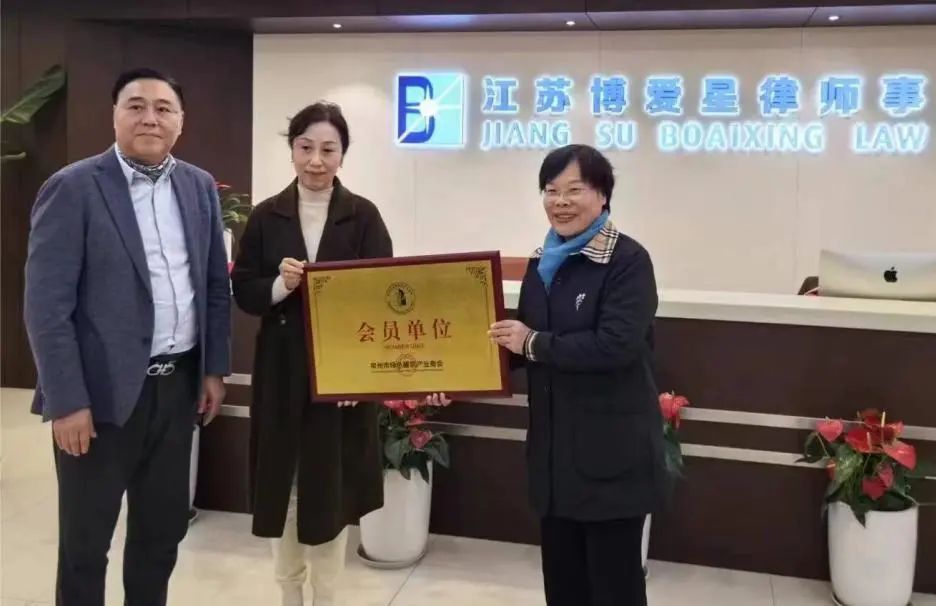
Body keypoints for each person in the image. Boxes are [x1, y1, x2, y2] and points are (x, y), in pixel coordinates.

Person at [23, 68, 230, 606]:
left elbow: (213, 285)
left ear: (180, 122)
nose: (150, 118)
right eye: (136, 106)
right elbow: (47, 308)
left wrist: (213, 369)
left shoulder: (198, 187)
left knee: (161, 533)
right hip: (97, 398)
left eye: (163, 108)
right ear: (114, 115)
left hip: (177, 387)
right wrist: (67, 401)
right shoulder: (73, 188)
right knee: (85, 543)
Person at [231, 102, 447, 606]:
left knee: (330, 494)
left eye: (328, 149)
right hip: (281, 373)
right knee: (283, 487)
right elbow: (244, 291)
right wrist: (280, 286)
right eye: (305, 147)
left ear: (343, 154)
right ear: (292, 149)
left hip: (342, 384)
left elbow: (385, 298)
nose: (316, 160)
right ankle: (289, 593)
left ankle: (326, 596)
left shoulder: (363, 215)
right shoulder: (266, 216)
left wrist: (358, 377)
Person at [489, 144, 669, 606]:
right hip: (554, 461)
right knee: (564, 587)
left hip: (611, 460)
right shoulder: (541, 262)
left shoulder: (627, 261)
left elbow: (615, 345)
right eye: (551, 191)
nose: (560, 202)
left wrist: (531, 343)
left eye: (574, 190)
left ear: (603, 195)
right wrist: (458, 373)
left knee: (614, 589)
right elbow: (528, 345)